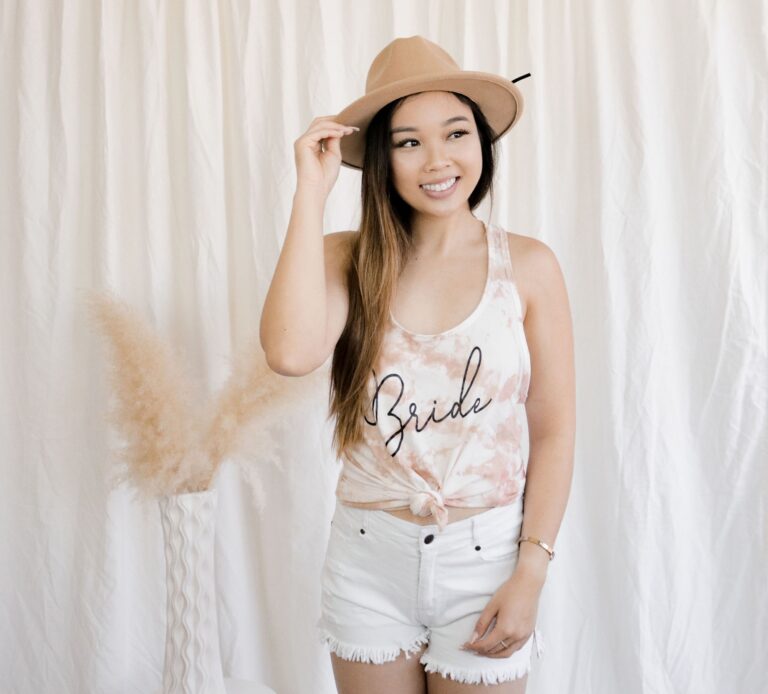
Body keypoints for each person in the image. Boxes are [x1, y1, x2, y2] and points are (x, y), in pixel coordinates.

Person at [260, 35, 575, 693]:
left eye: (456, 133)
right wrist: (310, 193)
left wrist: (531, 572)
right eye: (408, 142)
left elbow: (554, 431)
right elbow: (289, 353)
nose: (438, 159)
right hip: (368, 560)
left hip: (487, 560)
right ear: (381, 160)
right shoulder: (349, 259)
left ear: (481, 145)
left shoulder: (530, 266)